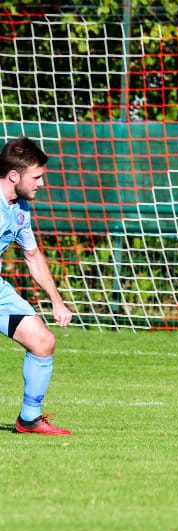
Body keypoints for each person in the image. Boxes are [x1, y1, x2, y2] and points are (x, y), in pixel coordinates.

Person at [0, 137, 73, 435]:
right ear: (14, 175)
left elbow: (32, 255)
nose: (42, 183)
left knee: (43, 342)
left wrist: (56, 299)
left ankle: (29, 419)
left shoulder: (20, 209)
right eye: (37, 177)